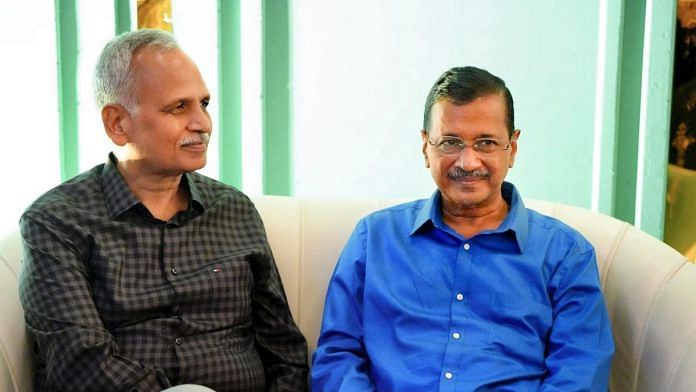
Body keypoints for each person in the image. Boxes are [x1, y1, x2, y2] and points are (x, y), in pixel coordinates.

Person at [19, 29, 308, 392]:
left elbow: (284, 349)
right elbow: (80, 364)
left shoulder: (234, 210)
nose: (202, 123)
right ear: (117, 123)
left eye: (204, 103)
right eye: (178, 107)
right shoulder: (56, 222)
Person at [311, 66, 614, 391]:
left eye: (486, 143)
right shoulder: (374, 239)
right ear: (425, 146)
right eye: (450, 142)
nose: (468, 162)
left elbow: (579, 374)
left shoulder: (565, 255)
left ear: (512, 148)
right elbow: (337, 357)